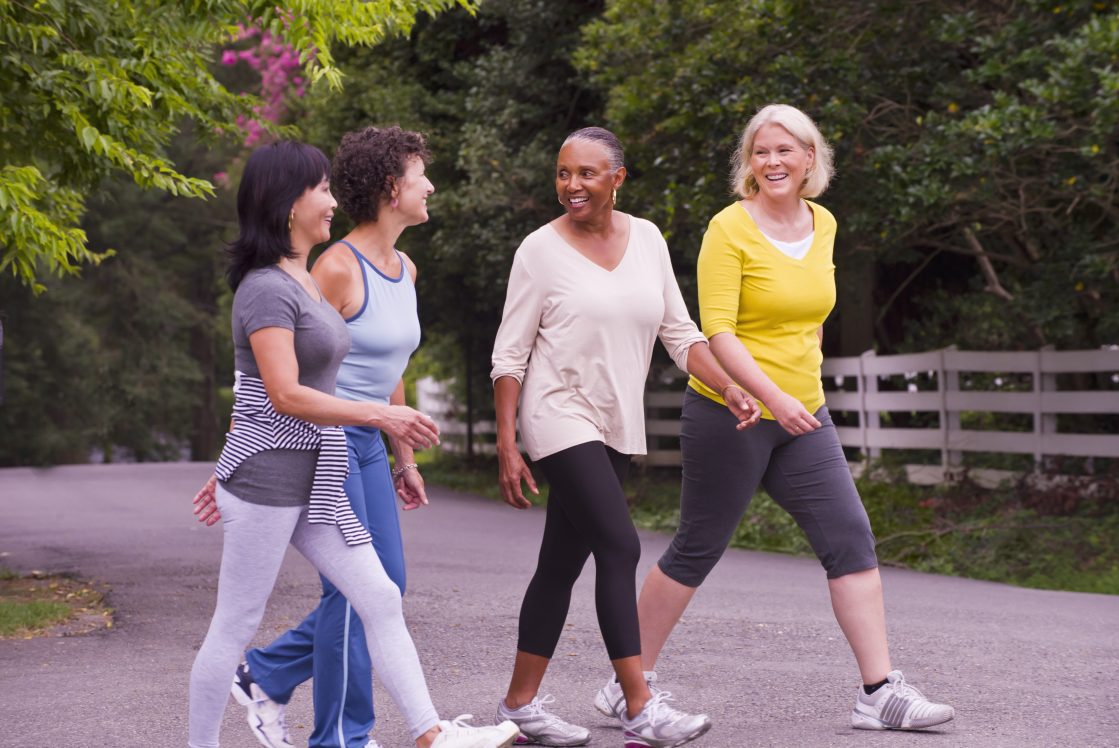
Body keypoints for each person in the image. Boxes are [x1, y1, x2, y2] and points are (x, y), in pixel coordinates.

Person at [592, 104, 956, 733]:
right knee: (698, 546)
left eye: (786, 150)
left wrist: (799, 389)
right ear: (749, 163)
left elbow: (811, 313)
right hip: (731, 414)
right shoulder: (727, 229)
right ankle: (630, 682)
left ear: (810, 158)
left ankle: (879, 691)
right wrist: (770, 397)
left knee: (850, 537)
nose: (774, 162)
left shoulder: (826, 223)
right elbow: (719, 334)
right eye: (761, 152)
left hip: (803, 415)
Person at [187, 139, 519, 748]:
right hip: (267, 485)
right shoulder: (266, 288)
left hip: (319, 477)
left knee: (380, 596)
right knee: (233, 626)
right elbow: (280, 393)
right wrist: (382, 418)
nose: (334, 201)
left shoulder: (301, 281)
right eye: (321, 190)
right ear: (289, 204)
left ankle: (430, 733)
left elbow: (299, 382)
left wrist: (394, 446)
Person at [489, 126, 761, 748]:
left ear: (617, 177)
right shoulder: (539, 250)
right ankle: (639, 705)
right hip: (557, 412)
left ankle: (518, 704)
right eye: (563, 173)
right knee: (620, 546)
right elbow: (510, 355)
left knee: (560, 564)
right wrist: (509, 441)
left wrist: (730, 386)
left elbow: (680, 333)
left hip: (614, 420)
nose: (571, 185)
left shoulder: (648, 239)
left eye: (586, 173)